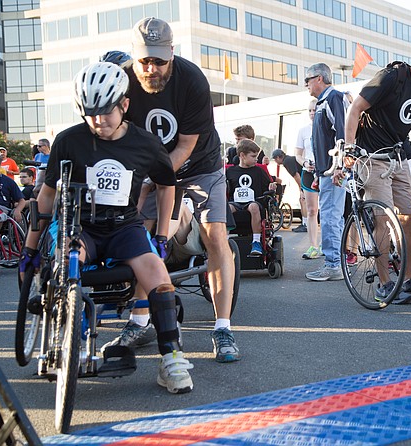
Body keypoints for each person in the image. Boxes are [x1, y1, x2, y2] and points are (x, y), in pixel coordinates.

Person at [18, 62, 194, 394]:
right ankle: (67, 337)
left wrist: (159, 236)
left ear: (124, 105)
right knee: (69, 259)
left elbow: (166, 184)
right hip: (78, 224)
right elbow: (48, 192)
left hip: (124, 227)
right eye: (90, 113)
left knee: (159, 276)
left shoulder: (145, 143)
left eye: (106, 112)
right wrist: (29, 247)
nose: (99, 121)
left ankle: (171, 357)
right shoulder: (69, 141)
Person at [122, 17, 239, 363]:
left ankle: (223, 327)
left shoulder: (191, 81)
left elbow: (185, 148)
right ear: (135, 56)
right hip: (151, 166)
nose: (152, 68)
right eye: (145, 60)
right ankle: (139, 319)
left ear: (171, 53)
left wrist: (151, 178)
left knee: (214, 234)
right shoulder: (123, 81)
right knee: (138, 234)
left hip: (199, 165)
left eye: (159, 60)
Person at [343, 31, 411, 303]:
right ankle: (384, 283)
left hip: (399, 157)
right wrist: (349, 149)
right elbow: (355, 108)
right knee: (383, 218)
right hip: (372, 158)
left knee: (407, 217)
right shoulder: (393, 77)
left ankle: (408, 280)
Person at [304, 63, 347, 281]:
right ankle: (335, 262)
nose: (306, 85)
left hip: (333, 172)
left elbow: (342, 133)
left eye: (307, 80)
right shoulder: (325, 101)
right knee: (331, 216)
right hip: (326, 171)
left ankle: (333, 265)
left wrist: (337, 166)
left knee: (330, 216)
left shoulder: (333, 98)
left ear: (319, 78)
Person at [227, 139, 277, 256]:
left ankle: (256, 241)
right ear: (242, 155)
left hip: (254, 202)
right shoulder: (231, 171)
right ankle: (224, 240)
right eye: (253, 156)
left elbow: (268, 187)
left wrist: (271, 187)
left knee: (254, 207)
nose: (256, 159)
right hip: (236, 203)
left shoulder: (259, 171)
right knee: (227, 209)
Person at [295, 99, 321, 258]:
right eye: (309, 110)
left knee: (327, 210)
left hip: (325, 172)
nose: (312, 113)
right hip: (308, 172)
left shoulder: (327, 127)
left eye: (314, 110)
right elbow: (297, 154)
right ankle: (313, 246)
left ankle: (328, 244)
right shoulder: (303, 131)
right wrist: (305, 162)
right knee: (312, 210)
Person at [271, 148, 307, 233]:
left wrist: (301, 188)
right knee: (303, 201)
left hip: (305, 182)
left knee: (303, 200)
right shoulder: (289, 159)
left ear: (279, 157)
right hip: (306, 180)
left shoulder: (287, 161)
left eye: (275, 159)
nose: (275, 161)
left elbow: (296, 175)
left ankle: (305, 224)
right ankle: (305, 223)